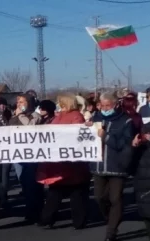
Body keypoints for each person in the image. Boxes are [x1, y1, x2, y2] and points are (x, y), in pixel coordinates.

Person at [36, 94, 90, 229]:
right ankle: (47, 218)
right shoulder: (58, 116)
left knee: (76, 194)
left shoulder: (76, 116)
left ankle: (78, 221)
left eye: (60, 102)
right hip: (58, 162)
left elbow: (75, 135)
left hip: (72, 163)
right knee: (55, 193)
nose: (59, 104)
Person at [89, 92, 135, 241]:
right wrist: (85, 128)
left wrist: (106, 137)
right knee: (99, 197)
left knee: (115, 198)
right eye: (102, 105)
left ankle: (111, 231)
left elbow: (125, 144)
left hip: (117, 165)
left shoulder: (125, 121)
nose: (105, 108)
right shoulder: (95, 118)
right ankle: (111, 218)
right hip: (98, 165)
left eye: (108, 105)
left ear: (115, 105)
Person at [9, 94, 44, 222]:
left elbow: (30, 127)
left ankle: (37, 210)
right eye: (18, 102)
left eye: (22, 101)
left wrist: (20, 115)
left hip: (32, 154)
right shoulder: (14, 116)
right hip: (18, 154)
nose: (19, 104)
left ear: (29, 103)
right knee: (24, 182)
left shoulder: (35, 115)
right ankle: (30, 209)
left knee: (33, 184)